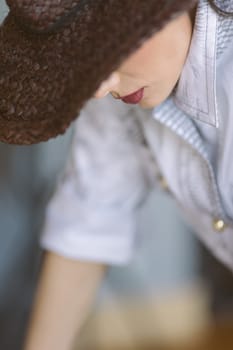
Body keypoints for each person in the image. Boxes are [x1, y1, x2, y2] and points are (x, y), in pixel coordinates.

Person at [6, 0, 230, 349]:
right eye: (82, 59)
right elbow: (89, 217)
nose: (98, 86)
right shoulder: (120, 95)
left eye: (111, 46)